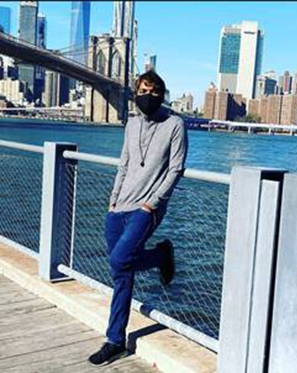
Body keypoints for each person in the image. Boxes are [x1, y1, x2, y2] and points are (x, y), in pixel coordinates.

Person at [89, 70, 188, 366]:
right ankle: (115, 341)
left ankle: (160, 255)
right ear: (136, 93)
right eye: (145, 89)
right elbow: (124, 164)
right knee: (122, 273)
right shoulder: (131, 124)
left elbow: (176, 169)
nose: (150, 95)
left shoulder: (175, 124)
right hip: (119, 207)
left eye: (156, 91)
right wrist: (112, 200)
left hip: (147, 209)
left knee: (120, 260)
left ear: (163, 94)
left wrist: (153, 203)